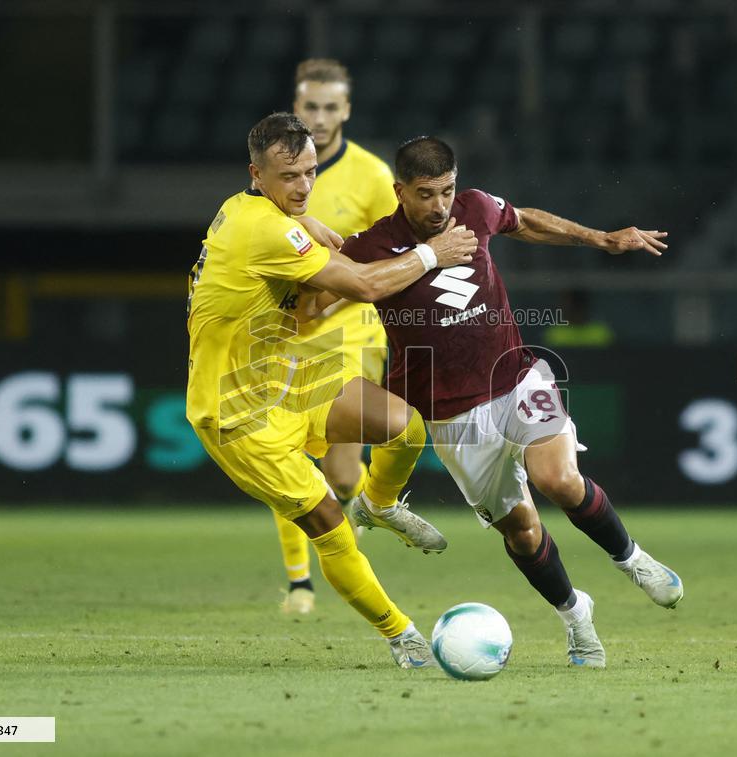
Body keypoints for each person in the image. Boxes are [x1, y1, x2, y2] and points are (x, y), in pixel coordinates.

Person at [310, 136, 683, 669]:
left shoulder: (475, 209)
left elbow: (525, 221)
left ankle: (633, 560)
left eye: (446, 190)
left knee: (559, 480)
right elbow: (318, 297)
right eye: (424, 194)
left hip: (516, 380)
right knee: (523, 531)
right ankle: (577, 617)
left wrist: (601, 238)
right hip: (451, 417)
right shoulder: (372, 246)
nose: (439, 205)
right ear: (399, 192)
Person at [186, 116, 478, 667]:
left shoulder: (243, 207)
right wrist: (434, 254)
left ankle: (382, 504)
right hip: (236, 413)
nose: (302, 186)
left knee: (404, 424)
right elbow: (365, 286)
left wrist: (307, 222)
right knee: (330, 526)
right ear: (257, 173)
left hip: (284, 373)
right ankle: (403, 636)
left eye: (311, 172)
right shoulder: (268, 231)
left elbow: (287, 247)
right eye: (289, 176)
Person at [271, 59, 400, 616]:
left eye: (329, 108)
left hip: (349, 330)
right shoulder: (278, 172)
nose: (319, 119)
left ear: (345, 110)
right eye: (309, 107)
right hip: (288, 330)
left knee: (342, 472)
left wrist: (332, 297)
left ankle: (364, 505)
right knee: (286, 449)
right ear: (295, 110)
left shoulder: (371, 176)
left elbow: (390, 254)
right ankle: (300, 583)